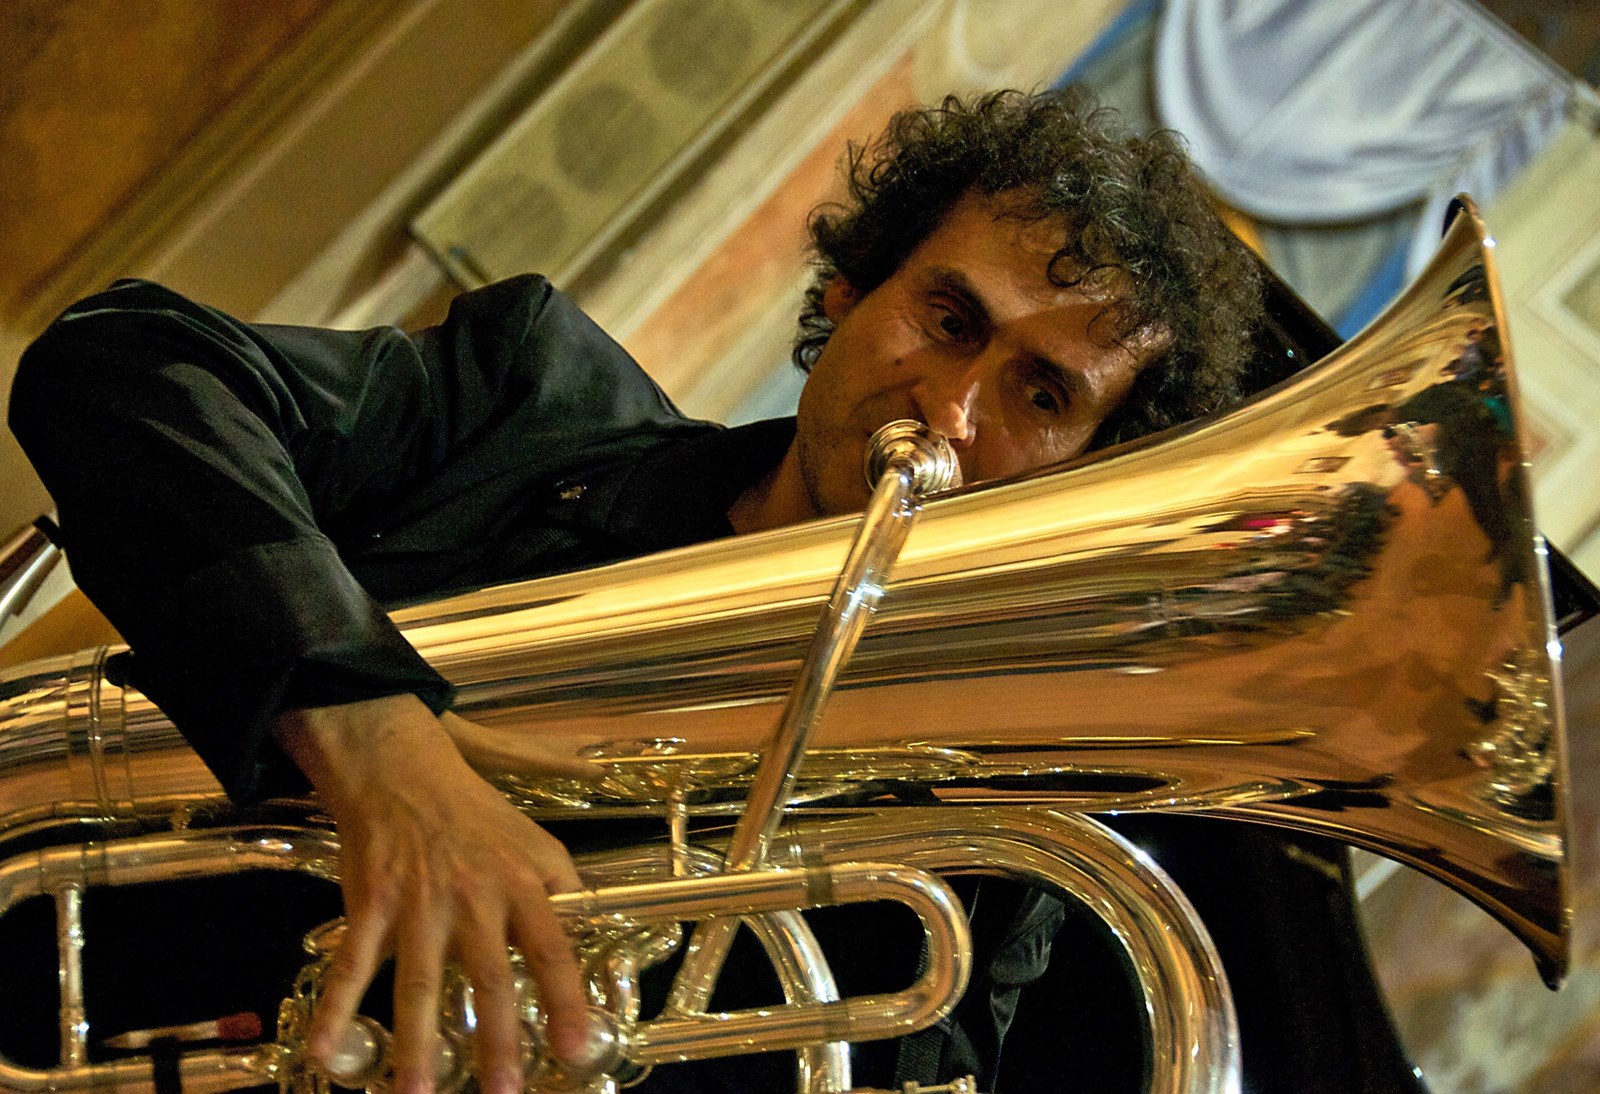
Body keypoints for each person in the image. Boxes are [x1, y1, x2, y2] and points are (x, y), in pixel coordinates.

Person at [10, 88, 1401, 1092]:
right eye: (948, 319)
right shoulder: (533, 402)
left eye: (1043, 395)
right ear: (849, 291)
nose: (955, 411)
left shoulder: (987, 867)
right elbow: (125, 368)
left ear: (1079, 474)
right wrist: (387, 758)